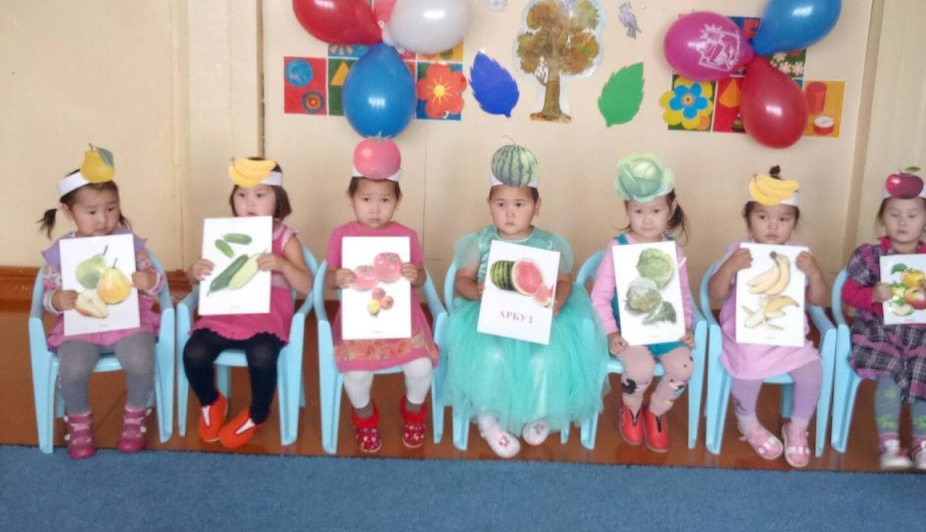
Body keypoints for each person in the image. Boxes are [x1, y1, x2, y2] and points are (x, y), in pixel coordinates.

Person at [441, 145, 607, 458]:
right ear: (489, 205)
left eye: (519, 204)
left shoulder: (548, 242)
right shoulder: (481, 241)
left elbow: (564, 282)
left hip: (539, 317)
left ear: (536, 206)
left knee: (547, 358)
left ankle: (539, 413)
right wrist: (476, 291)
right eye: (500, 204)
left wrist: (558, 302)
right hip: (486, 317)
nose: (509, 213)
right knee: (491, 356)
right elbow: (462, 280)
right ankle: (488, 416)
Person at [38, 146, 163, 459]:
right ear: (69, 212)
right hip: (81, 327)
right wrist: (57, 300)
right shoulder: (62, 252)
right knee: (73, 368)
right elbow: (47, 294)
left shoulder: (130, 245)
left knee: (141, 360)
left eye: (111, 209)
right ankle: (79, 421)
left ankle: (136, 415)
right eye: (91, 212)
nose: (103, 219)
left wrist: (149, 282)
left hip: (129, 322)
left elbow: (155, 284)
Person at [182, 157, 312, 449]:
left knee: (262, 355)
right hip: (224, 316)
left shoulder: (284, 237)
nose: (249, 203)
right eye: (241, 195)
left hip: (267, 320)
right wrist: (195, 270)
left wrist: (283, 264)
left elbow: (306, 285)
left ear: (278, 200)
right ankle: (210, 401)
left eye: (260, 195)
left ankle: (258, 413)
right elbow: (194, 277)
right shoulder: (225, 234)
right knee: (194, 352)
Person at [841, 170, 926, 473]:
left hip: (923, 335)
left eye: (912, 215)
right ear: (882, 219)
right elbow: (848, 293)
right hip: (878, 331)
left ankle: (922, 444)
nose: (903, 222)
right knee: (889, 371)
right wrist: (872, 295)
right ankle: (889, 444)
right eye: (894, 214)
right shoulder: (870, 256)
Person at [706, 167, 828, 468]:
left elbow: (817, 300)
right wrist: (730, 267)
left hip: (788, 336)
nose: (773, 226)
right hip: (745, 334)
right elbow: (715, 294)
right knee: (747, 369)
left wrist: (814, 273)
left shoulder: (799, 255)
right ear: (748, 219)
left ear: (794, 222)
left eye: (783, 219)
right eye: (763, 217)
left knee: (813, 372)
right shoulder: (737, 251)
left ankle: (797, 427)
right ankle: (748, 422)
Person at [326, 140, 438, 453]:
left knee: (421, 368)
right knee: (356, 373)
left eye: (385, 200)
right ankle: (365, 419)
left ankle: (413, 413)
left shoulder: (407, 236)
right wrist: (338, 277)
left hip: (404, 323)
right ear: (350, 198)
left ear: (398, 200)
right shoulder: (341, 236)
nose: (375, 209)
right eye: (366, 199)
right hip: (359, 325)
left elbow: (420, 277)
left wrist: (415, 274)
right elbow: (330, 280)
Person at [588, 154, 696, 452]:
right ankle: (632, 409)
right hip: (628, 331)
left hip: (665, 328)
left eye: (656, 210)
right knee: (639, 369)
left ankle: (656, 411)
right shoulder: (617, 247)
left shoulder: (674, 250)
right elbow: (599, 297)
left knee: (684, 366)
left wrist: (686, 327)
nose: (647, 219)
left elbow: (682, 295)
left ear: (671, 209)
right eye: (638, 211)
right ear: (627, 209)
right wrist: (611, 333)